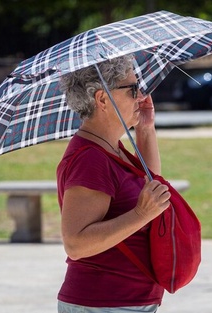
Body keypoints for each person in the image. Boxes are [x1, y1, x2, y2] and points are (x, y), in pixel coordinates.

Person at [56, 54, 171, 313]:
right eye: (132, 89)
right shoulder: (90, 159)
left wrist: (145, 129)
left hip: (123, 302)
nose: (141, 96)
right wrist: (141, 214)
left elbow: (149, 186)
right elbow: (76, 244)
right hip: (104, 303)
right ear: (102, 99)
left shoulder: (111, 147)